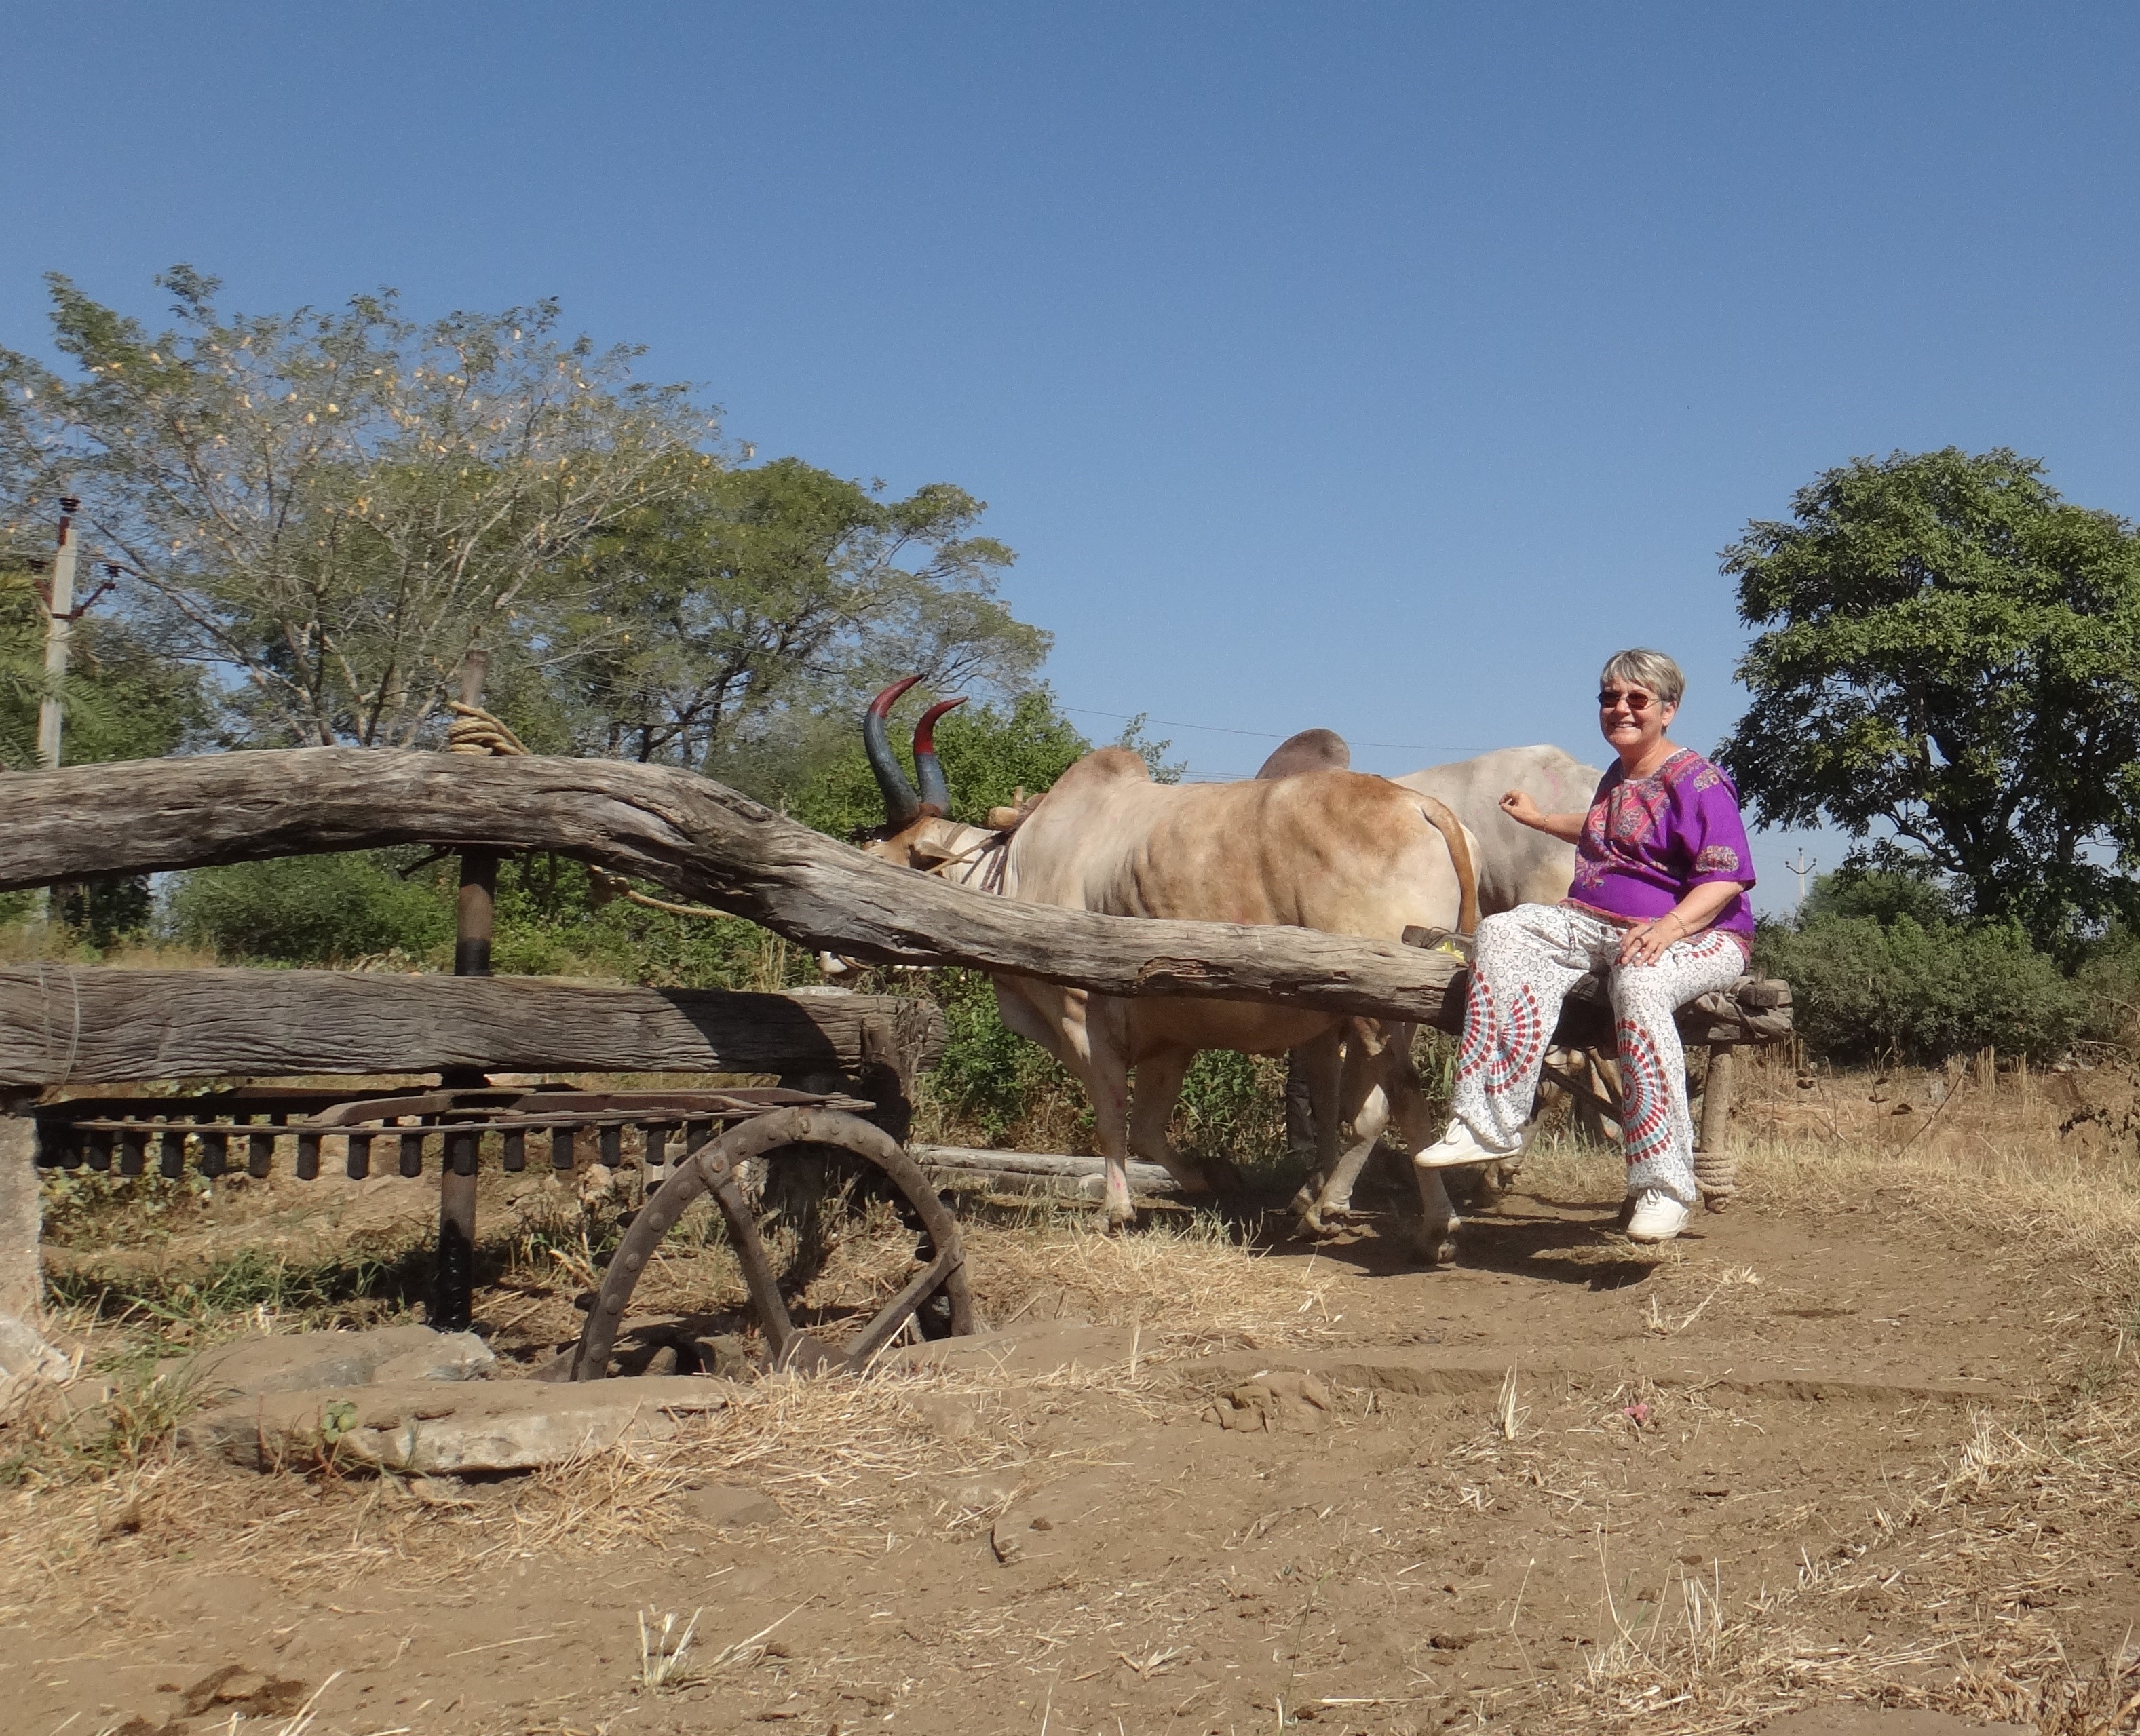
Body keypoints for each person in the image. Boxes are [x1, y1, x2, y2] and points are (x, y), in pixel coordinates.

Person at [1417, 648, 1756, 1244]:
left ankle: (1663, 1185)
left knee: (1641, 980)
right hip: (1595, 921)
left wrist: (1670, 927)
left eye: (1636, 699)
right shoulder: (1618, 776)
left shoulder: (1700, 781)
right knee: (1503, 931)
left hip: (1704, 935)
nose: (1620, 708)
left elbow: (1726, 875)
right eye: (1609, 697)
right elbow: (1607, 829)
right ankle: (1489, 1121)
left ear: (1668, 710)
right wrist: (1542, 819)